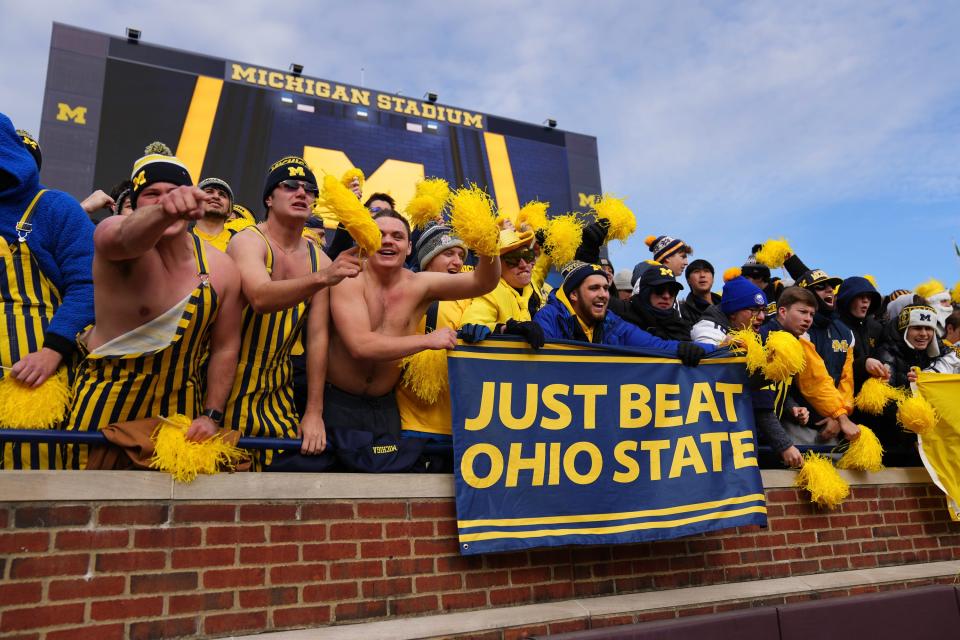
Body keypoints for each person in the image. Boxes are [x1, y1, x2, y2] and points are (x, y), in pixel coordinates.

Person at [64, 145, 243, 470]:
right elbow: (125, 236)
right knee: (80, 506)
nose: (165, 200)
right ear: (134, 203)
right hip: (106, 402)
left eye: (175, 193)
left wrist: (212, 414)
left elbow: (226, 347)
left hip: (180, 410)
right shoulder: (112, 237)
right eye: (152, 195)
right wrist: (165, 211)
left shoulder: (223, 268)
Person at [224, 157, 362, 468]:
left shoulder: (320, 261)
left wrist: (314, 412)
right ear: (269, 198)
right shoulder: (247, 240)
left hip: (278, 392)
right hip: (223, 387)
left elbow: (316, 338)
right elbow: (259, 297)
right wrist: (322, 279)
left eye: (309, 189)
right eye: (289, 186)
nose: (301, 192)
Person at [325, 210, 500, 443]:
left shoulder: (420, 284)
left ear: (409, 248)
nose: (387, 240)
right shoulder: (348, 278)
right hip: (338, 403)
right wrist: (428, 341)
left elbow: (483, 282)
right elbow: (360, 345)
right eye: (379, 235)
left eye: (397, 236)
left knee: (389, 481)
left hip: (386, 407)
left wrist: (488, 244)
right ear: (366, 240)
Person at [0, 114, 95, 470]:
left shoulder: (55, 207)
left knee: (29, 486)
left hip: (34, 379)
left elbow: (88, 286)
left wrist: (52, 351)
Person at [689, 276, 804, 468]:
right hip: (711, 437)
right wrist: (783, 444)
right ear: (733, 313)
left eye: (763, 311)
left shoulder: (750, 335)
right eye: (753, 310)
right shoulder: (709, 330)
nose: (761, 317)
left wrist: (789, 404)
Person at [533, 261, 709, 365]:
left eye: (605, 288)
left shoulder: (613, 323)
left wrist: (716, 348)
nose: (602, 294)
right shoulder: (549, 317)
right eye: (594, 288)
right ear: (573, 294)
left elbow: (658, 346)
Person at [397, 222, 471, 447]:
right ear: (428, 258)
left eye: (461, 255)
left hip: (459, 423)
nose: (457, 262)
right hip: (411, 421)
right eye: (448, 253)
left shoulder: (470, 296)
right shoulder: (404, 291)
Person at [763, 286, 860, 446]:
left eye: (811, 314)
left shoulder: (794, 339)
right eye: (802, 312)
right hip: (760, 430)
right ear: (782, 312)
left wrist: (792, 408)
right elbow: (760, 399)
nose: (808, 319)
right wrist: (783, 446)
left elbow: (777, 390)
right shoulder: (768, 338)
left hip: (774, 426)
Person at [872, 303, 957, 464]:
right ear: (905, 329)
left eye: (929, 328)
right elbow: (884, 403)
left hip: (934, 445)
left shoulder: (944, 354)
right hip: (895, 446)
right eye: (917, 328)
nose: (924, 334)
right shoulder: (886, 353)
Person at [458, 220, 547, 349]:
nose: (523, 264)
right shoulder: (490, 291)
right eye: (513, 259)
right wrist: (507, 329)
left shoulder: (532, 283)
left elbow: (541, 269)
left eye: (527, 255)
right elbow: (470, 327)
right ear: (497, 266)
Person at [612, 264, 693, 341]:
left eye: (672, 291)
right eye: (659, 290)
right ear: (645, 293)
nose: (666, 296)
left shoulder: (681, 326)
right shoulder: (620, 315)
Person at [836, 276, 886, 392]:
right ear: (847, 299)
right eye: (860, 296)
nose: (866, 301)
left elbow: (883, 356)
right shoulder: (835, 328)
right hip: (842, 396)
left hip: (871, 396)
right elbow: (835, 367)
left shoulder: (876, 328)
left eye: (869, 297)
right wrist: (863, 364)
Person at [192, 177, 250, 252]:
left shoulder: (242, 243)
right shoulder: (180, 238)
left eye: (222, 195)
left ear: (229, 211)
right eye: (209, 192)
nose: (216, 197)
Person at [680, 259, 721, 324]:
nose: (702, 275)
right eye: (696, 272)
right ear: (688, 280)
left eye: (706, 271)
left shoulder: (725, 304)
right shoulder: (682, 311)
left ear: (713, 279)